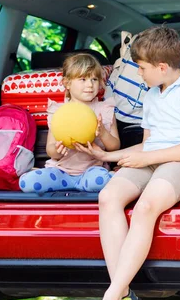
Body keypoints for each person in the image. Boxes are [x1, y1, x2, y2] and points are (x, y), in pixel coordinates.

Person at [75, 26, 180, 300]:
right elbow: (146, 144)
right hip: (150, 159)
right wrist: (108, 156)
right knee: (108, 198)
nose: (138, 73)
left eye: (142, 67)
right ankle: (125, 297)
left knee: (146, 206)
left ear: (162, 67)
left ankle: (110, 298)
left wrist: (146, 159)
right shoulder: (151, 94)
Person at [19, 53, 120, 194]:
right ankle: (68, 184)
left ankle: (89, 183)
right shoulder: (59, 112)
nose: (90, 85)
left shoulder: (105, 109)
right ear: (67, 83)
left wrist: (103, 133)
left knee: (101, 180)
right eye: (83, 79)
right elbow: (50, 150)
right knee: (27, 183)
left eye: (94, 79)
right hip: (61, 172)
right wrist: (58, 150)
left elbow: (115, 147)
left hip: (91, 172)